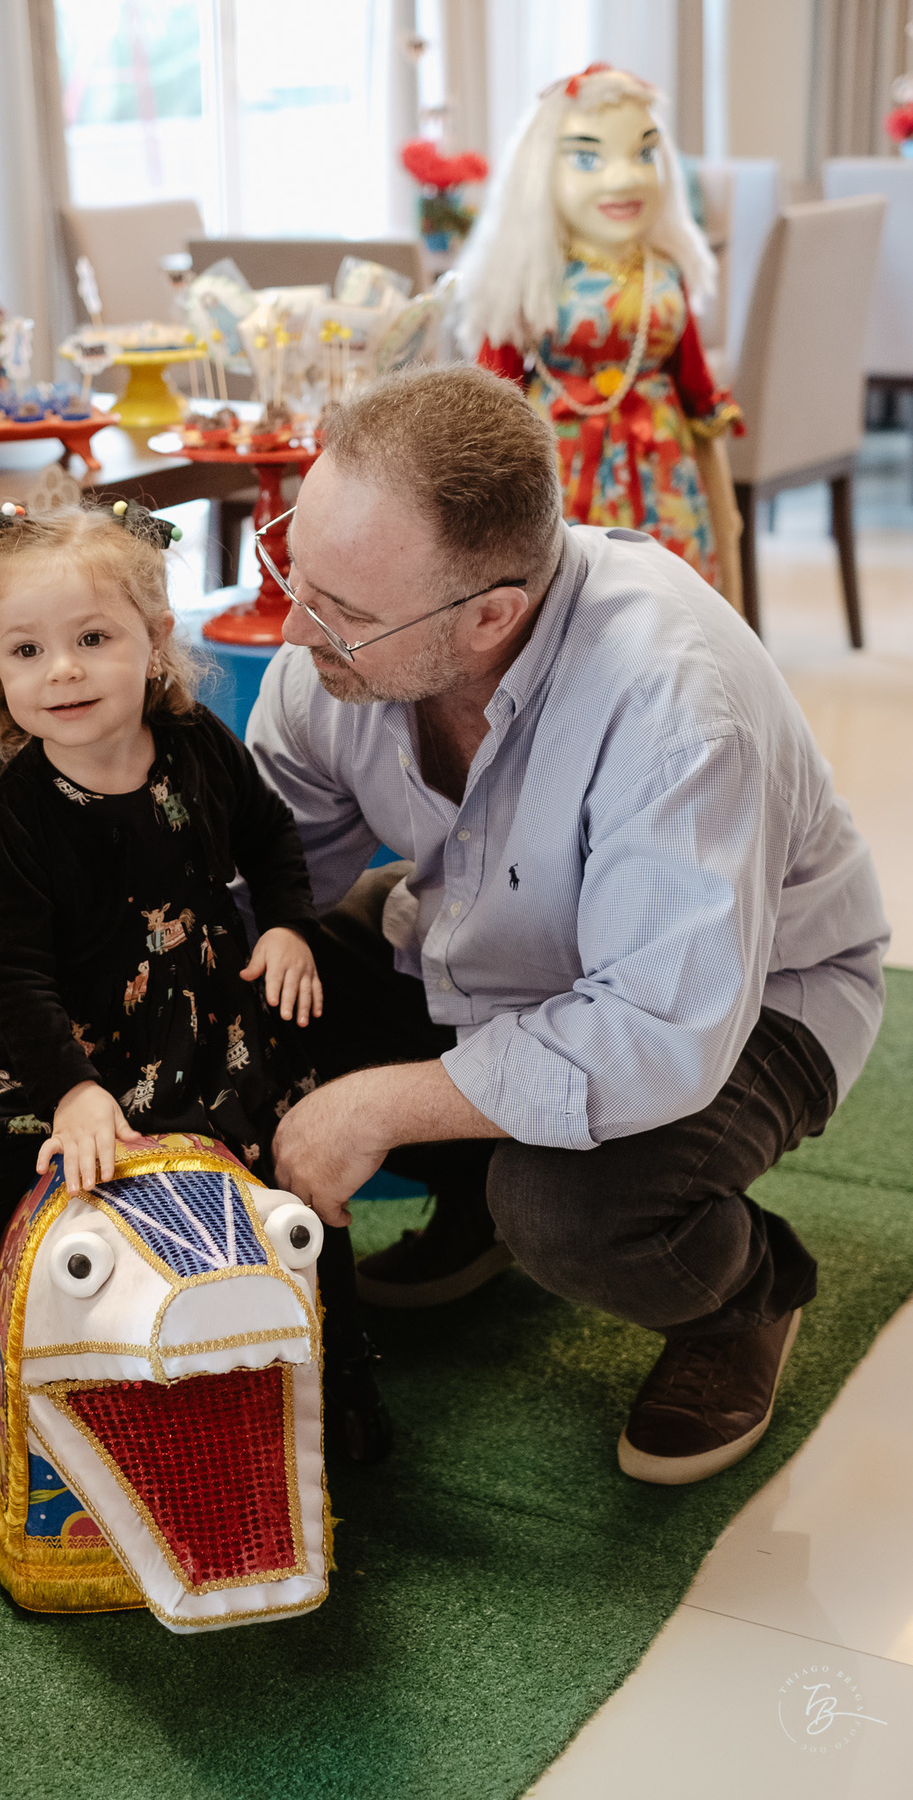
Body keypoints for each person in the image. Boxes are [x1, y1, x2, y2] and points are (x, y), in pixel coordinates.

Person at [247, 363, 887, 1487]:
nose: (297, 627)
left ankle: (747, 1295)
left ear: (490, 616)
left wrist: (378, 1104)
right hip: (486, 943)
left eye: (344, 614)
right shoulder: (337, 644)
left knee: (563, 1206)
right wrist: (46, 1006)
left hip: (747, 1000)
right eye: (292, 569)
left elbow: (657, 1034)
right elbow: (251, 873)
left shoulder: (677, 706)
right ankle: (476, 1203)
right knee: (255, 994)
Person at [0, 498, 381, 1487]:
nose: (61, 670)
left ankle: (348, 1367)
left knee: (305, 1175)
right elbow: (16, 974)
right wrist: (71, 1091)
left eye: (93, 638)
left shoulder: (199, 744)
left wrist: (285, 925)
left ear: (154, 641)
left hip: (210, 1026)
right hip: (72, 1040)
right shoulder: (13, 815)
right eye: (27, 651)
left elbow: (271, 836)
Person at [456, 63, 743, 612]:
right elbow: (494, 387)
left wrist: (720, 487)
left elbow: (692, 378)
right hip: (558, 462)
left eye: (644, 154)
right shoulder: (526, 274)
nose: (625, 178)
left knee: (672, 597)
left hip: (662, 462)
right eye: (588, 159)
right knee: (564, 602)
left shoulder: (665, 268)